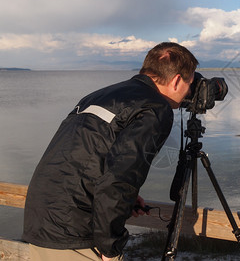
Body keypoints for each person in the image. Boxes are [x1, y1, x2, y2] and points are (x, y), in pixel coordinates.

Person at [22, 42, 198, 261]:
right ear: (177, 80)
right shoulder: (155, 108)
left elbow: (81, 158)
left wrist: (128, 198)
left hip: (40, 219)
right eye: (190, 83)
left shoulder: (100, 95)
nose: (189, 92)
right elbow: (120, 178)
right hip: (76, 233)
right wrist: (109, 246)